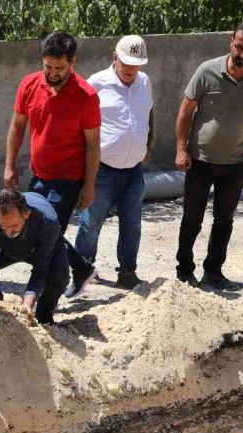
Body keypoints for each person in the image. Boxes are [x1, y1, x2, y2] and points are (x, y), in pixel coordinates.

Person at [174, 19, 243, 290]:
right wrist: (181, 149)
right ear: (231, 41)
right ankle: (184, 270)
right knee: (191, 218)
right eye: (239, 45)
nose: (242, 53)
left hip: (236, 162)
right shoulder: (207, 71)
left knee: (224, 219)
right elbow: (186, 111)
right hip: (200, 159)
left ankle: (214, 271)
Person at [4, 30, 100, 299]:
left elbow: (93, 144)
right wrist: (9, 165)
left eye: (60, 67)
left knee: (45, 234)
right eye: (48, 66)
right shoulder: (29, 85)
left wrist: (89, 185)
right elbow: (17, 126)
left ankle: (49, 292)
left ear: (73, 62)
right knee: (38, 230)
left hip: (69, 179)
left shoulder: (87, 96)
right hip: (39, 175)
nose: (53, 72)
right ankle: (81, 268)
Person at [72, 35, 153, 290]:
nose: (131, 69)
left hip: (134, 171)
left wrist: (148, 145)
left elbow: (149, 114)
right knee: (90, 223)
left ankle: (127, 272)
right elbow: (78, 126)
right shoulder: (96, 83)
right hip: (102, 170)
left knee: (132, 224)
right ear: (114, 57)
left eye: (136, 64)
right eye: (126, 63)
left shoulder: (144, 82)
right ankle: (82, 270)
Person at [0, 189, 69, 326]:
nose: (8, 232)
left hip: (36, 248)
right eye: (1, 226)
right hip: (5, 249)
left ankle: (43, 315)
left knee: (59, 275)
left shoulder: (47, 221)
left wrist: (27, 308)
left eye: (13, 226)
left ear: (27, 214)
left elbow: (40, 269)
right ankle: (0, 312)